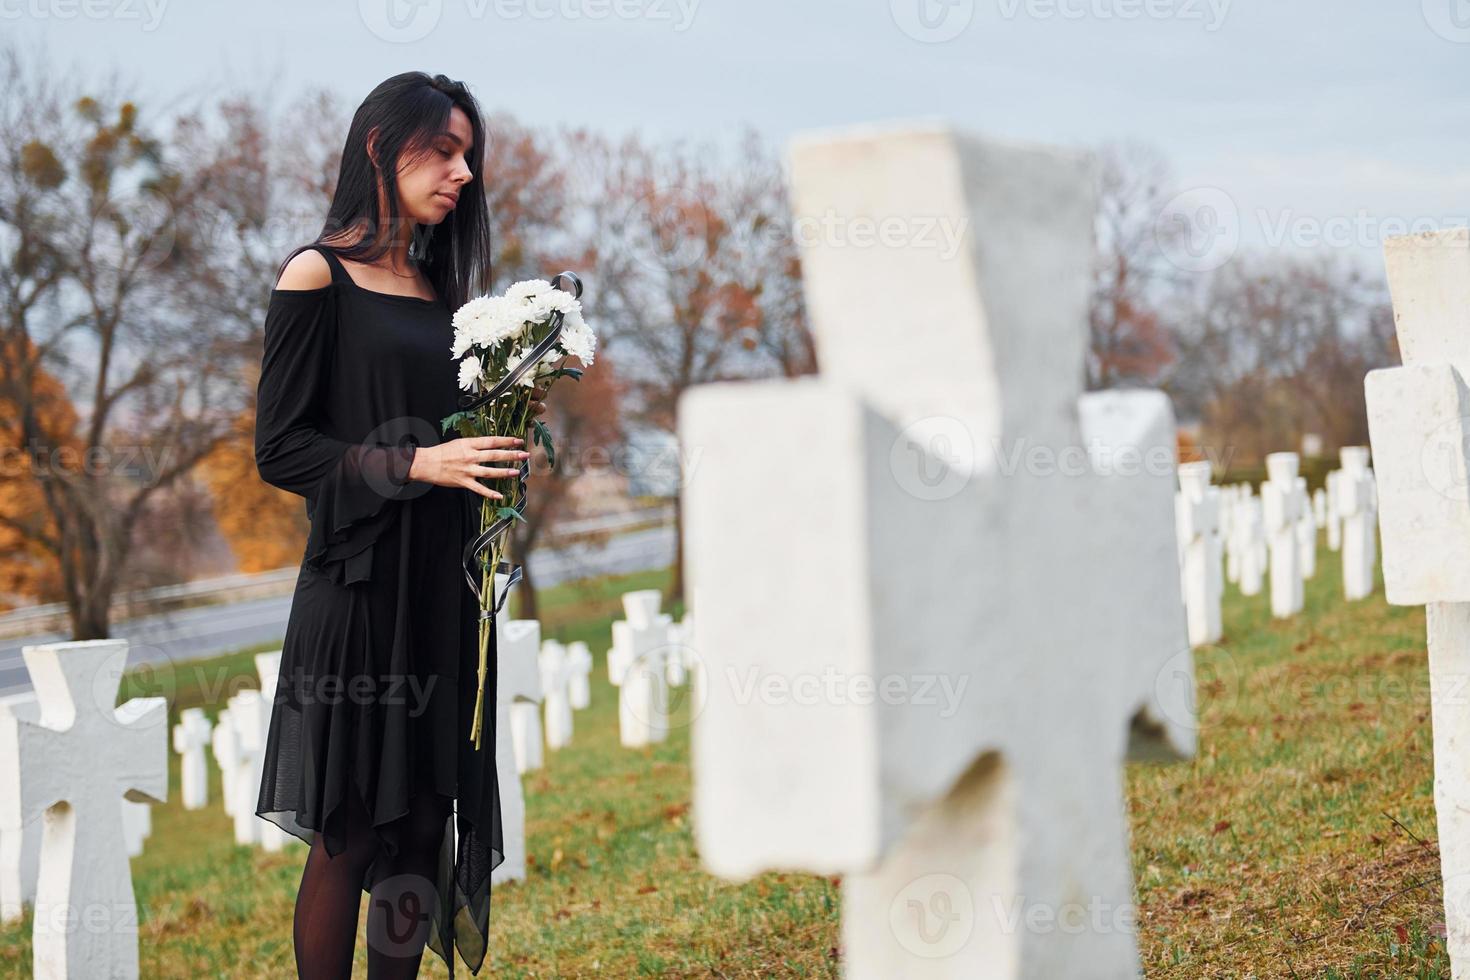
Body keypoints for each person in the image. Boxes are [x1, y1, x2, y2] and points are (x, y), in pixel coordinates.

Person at [252, 70, 546, 979]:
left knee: (424, 820)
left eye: (469, 155)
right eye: (444, 150)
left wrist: (500, 448)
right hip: (358, 592)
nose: (463, 172)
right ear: (382, 147)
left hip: (439, 592)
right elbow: (283, 448)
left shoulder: (442, 292)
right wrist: (416, 465)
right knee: (348, 830)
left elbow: (452, 439)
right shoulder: (317, 274)